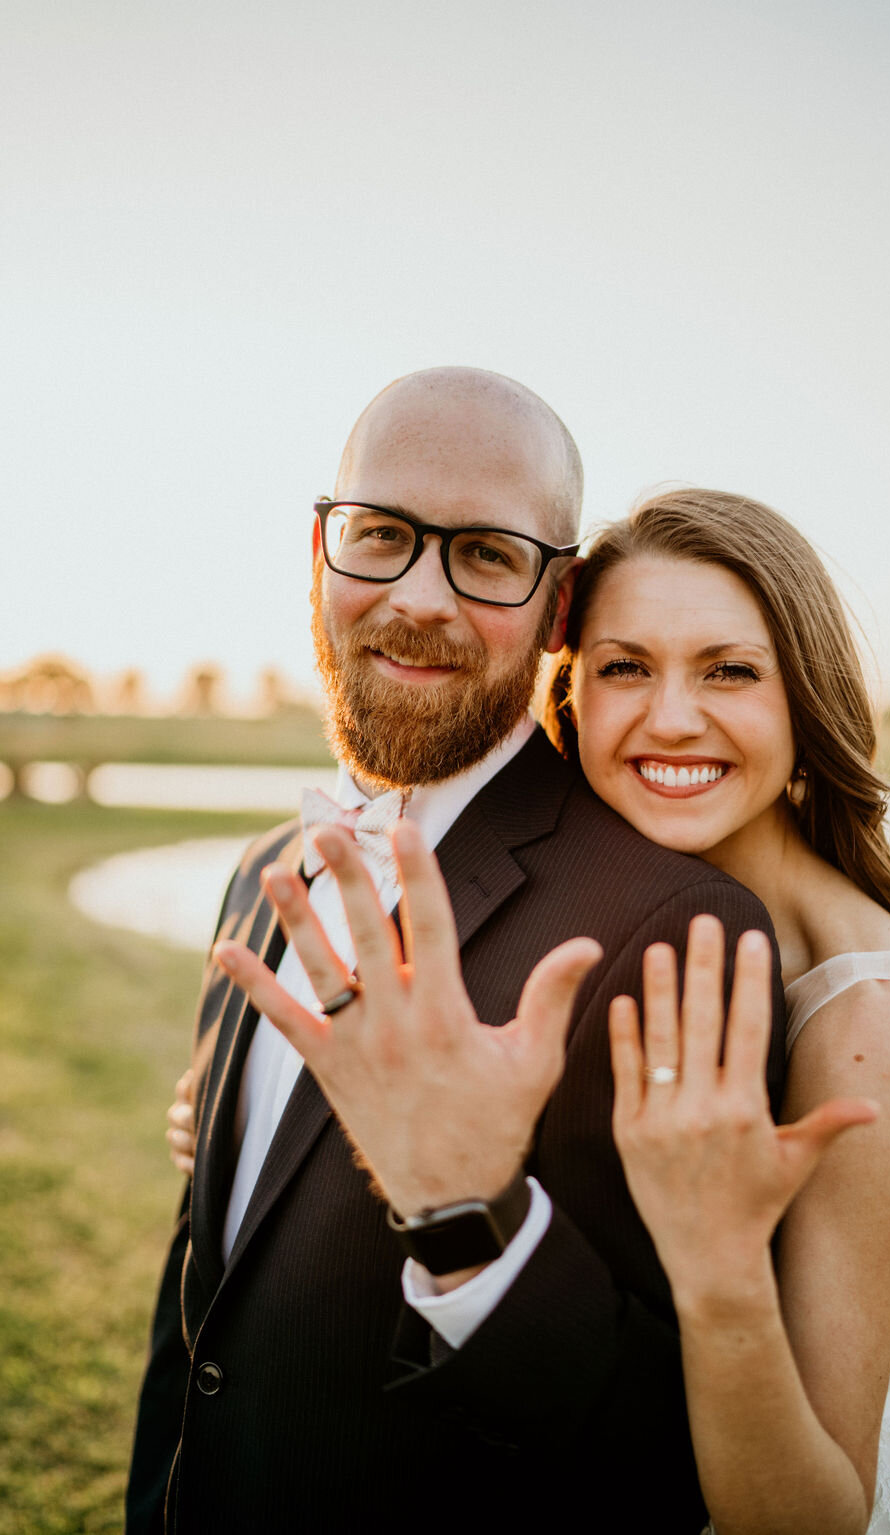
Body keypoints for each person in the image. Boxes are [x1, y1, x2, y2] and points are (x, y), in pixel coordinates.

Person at [128, 370, 787, 1533]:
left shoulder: (670, 927)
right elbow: (211, 1311)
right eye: (379, 536)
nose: (418, 597)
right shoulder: (258, 871)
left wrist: (470, 1215)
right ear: (321, 553)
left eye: (484, 553)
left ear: (560, 601)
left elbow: (671, 1469)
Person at [547, 488, 890, 1533]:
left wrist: (718, 1264)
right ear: (571, 693)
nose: (670, 716)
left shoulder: (866, 1018)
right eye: (625, 665)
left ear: (804, 698)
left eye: (730, 669)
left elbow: (816, 1514)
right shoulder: (627, 903)